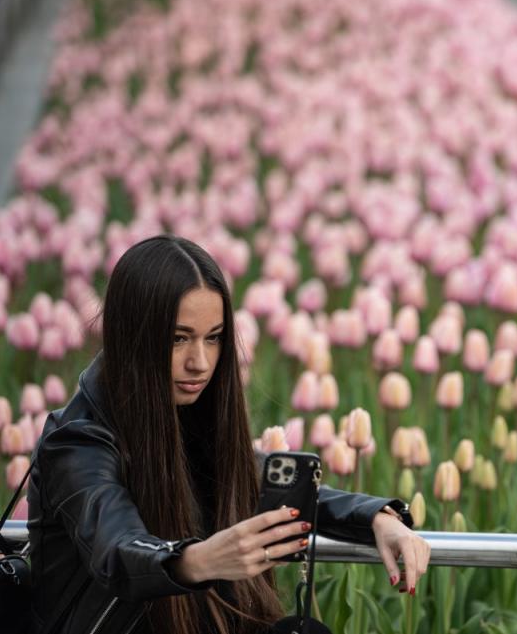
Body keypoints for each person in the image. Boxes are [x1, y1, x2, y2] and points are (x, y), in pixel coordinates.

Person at [27, 235, 431, 634]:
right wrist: (200, 560)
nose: (200, 362)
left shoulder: (187, 419)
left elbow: (259, 482)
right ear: (133, 336)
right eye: (178, 338)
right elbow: (115, 550)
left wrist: (378, 517)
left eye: (214, 337)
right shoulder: (77, 442)